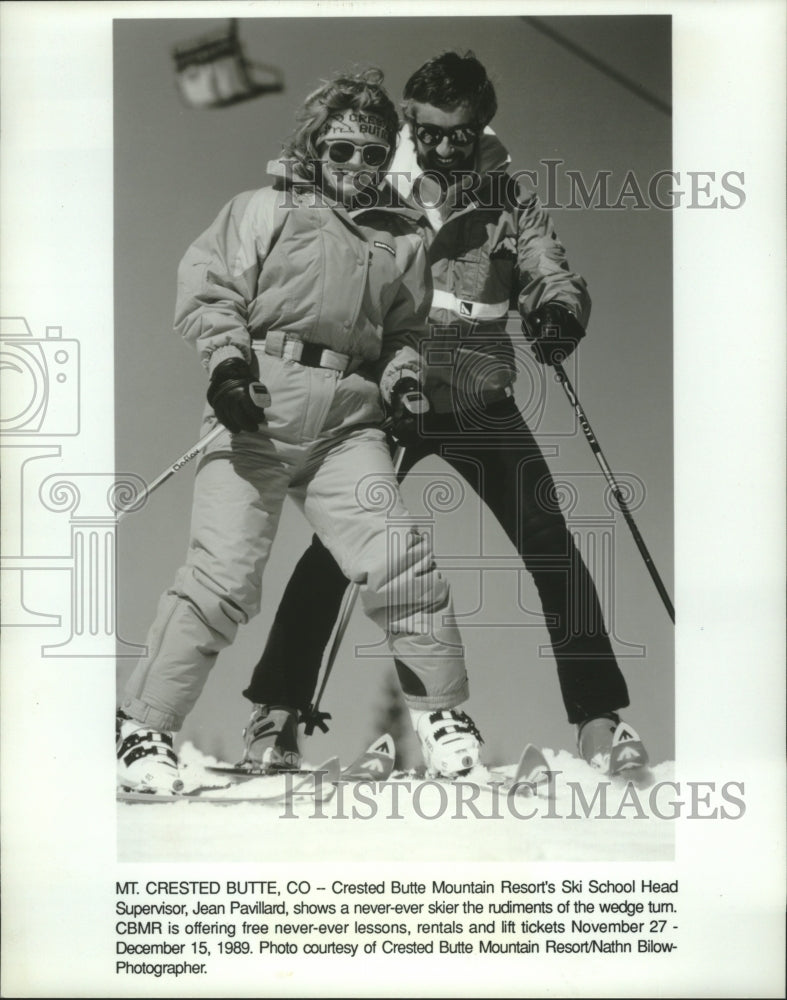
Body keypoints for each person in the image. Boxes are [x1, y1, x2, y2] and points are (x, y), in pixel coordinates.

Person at [238, 51, 648, 776]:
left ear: (481, 125)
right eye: (430, 133)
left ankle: (597, 721)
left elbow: (545, 261)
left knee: (550, 538)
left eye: (462, 133)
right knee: (342, 544)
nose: (446, 147)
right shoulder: (371, 185)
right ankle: (275, 717)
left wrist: (555, 310)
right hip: (390, 391)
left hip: (478, 392)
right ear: (409, 124)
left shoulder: (505, 195)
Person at [116, 68, 485, 794]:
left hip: (347, 426)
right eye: (342, 151)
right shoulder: (264, 209)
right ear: (316, 146)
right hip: (256, 406)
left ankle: (441, 718)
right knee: (224, 578)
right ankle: (144, 728)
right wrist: (227, 369)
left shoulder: (403, 236)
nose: (356, 167)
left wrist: (404, 380)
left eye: (372, 155)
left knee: (397, 562)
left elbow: (405, 330)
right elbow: (211, 289)